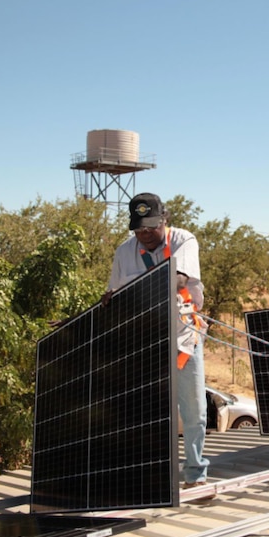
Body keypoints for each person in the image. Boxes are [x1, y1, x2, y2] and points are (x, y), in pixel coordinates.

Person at [102, 192, 213, 499]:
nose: (144, 235)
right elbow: (114, 294)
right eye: (138, 229)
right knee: (146, 410)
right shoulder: (124, 252)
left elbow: (178, 279)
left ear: (164, 221)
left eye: (150, 228)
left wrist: (133, 291)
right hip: (145, 339)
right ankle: (149, 473)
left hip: (183, 336)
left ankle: (195, 474)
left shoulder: (183, 240)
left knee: (193, 409)